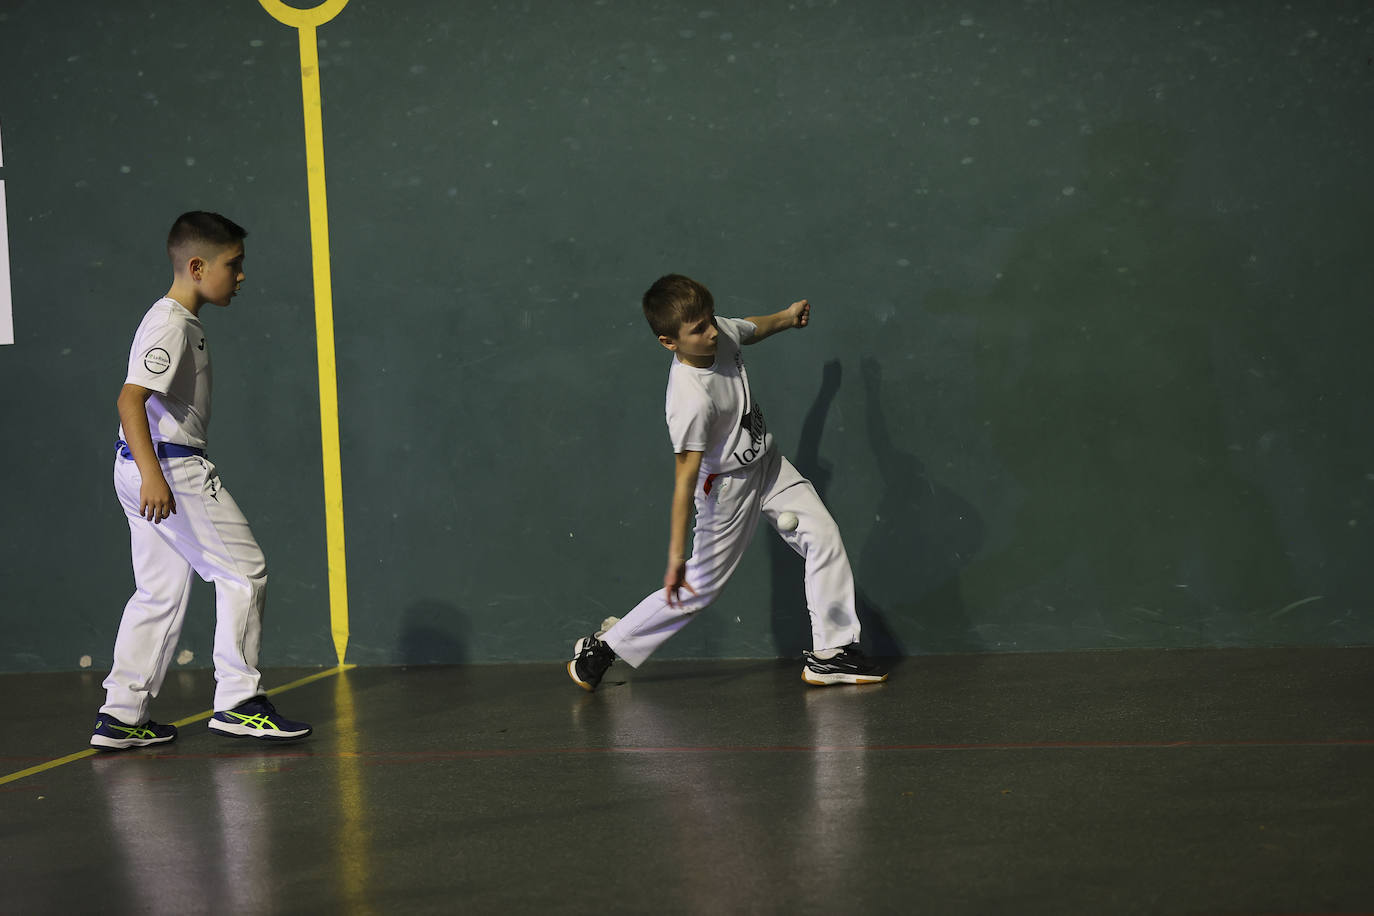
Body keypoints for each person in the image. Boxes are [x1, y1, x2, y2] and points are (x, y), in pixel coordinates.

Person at [567, 274, 888, 691]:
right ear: (670, 342)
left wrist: (787, 318)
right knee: (698, 588)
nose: (711, 331)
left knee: (824, 535)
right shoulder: (690, 400)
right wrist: (674, 556)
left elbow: (751, 327)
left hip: (767, 464)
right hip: (725, 490)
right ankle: (604, 650)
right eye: (698, 329)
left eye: (709, 319)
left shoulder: (719, 334)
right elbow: (684, 481)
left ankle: (832, 654)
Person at [90, 211, 311, 750]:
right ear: (196, 266)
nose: (240, 276)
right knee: (244, 573)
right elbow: (129, 400)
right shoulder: (171, 323)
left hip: (147, 466)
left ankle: (122, 714)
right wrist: (153, 477)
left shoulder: (180, 321)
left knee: (159, 592)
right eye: (232, 265)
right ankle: (239, 701)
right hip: (169, 470)